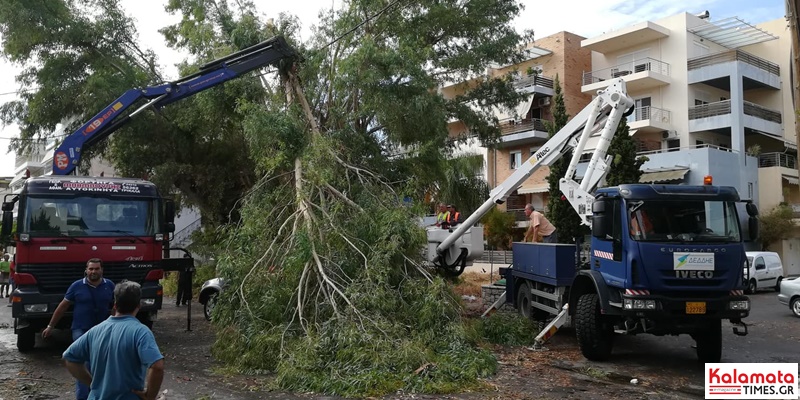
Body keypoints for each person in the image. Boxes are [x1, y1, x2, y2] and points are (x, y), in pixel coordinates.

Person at [63, 281, 165, 400]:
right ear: (139, 306)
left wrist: (92, 384)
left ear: (115, 305)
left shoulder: (95, 331)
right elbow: (157, 367)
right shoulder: (141, 332)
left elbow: (69, 358)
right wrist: (150, 396)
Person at [43, 258, 115, 400]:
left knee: (103, 362)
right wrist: (50, 326)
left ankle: (101, 393)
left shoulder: (110, 285)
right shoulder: (76, 286)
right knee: (84, 361)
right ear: (86, 270)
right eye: (91, 269)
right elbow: (63, 306)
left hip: (102, 330)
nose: (93, 271)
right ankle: (83, 396)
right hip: (80, 329)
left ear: (102, 270)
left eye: (96, 268)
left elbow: (117, 306)